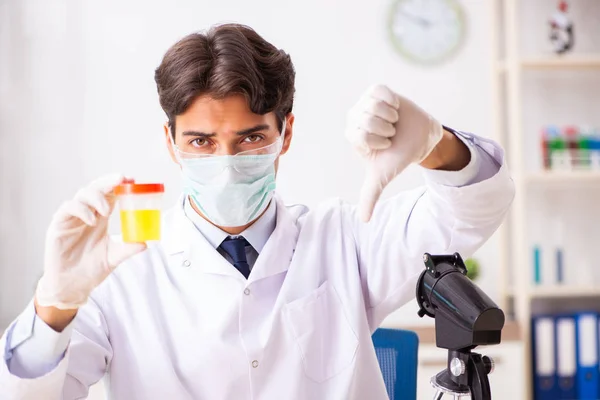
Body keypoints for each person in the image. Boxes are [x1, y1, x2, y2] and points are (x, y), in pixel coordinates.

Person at [0, 23, 514, 400]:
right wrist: (55, 306)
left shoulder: (344, 238)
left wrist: (434, 144)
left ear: (285, 133)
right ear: (171, 141)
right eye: (201, 141)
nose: (225, 162)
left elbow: (473, 209)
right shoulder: (119, 270)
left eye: (250, 138)